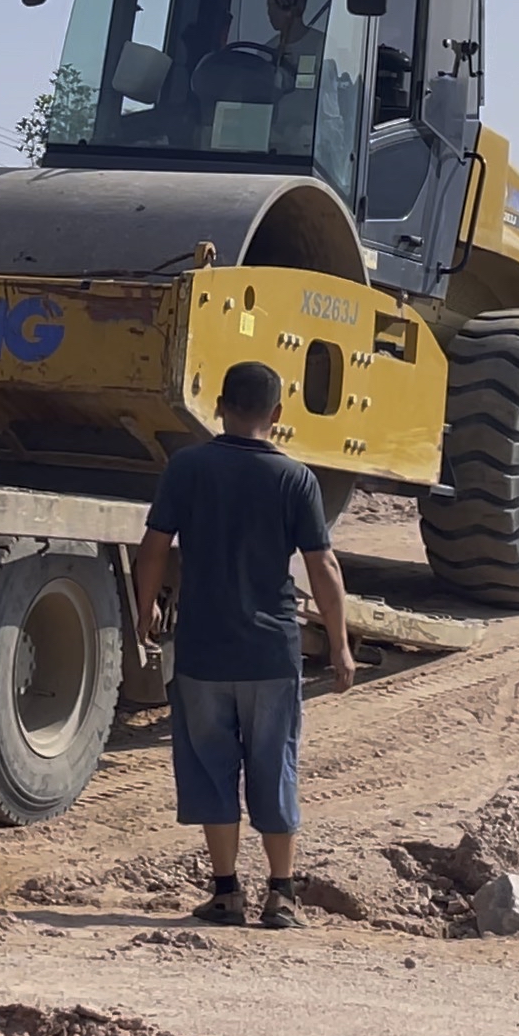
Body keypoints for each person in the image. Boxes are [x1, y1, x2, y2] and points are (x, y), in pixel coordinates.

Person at [132, 359, 355, 927]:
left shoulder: (187, 468)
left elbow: (154, 546)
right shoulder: (294, 478)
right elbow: (322, 564)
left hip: (203, 652)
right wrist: (340, 644)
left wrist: (143, 612)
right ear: (277, 415)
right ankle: (281, 894)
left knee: (211, 768)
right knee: (272, 765)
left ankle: (227, 891)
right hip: (270, 653)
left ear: (221, 407)